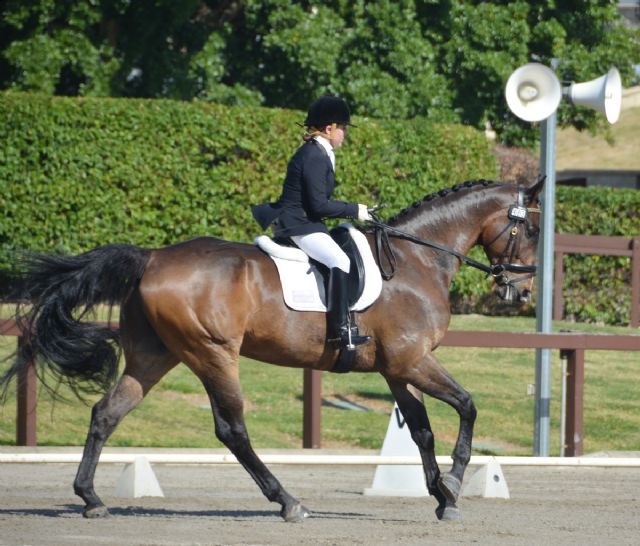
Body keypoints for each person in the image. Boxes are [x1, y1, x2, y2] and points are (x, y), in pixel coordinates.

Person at [252, 95, 372, 349]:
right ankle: (340, 331)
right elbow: (319, 205)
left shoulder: (318, 151)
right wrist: (355, 209)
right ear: (329, 129)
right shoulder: (315, 155)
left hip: (304, 221)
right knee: (340, 260)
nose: (345, 134)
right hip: (298, 224)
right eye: (343, 128)